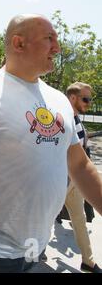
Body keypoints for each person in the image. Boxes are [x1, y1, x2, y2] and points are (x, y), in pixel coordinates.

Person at [0, 14, 102, 273]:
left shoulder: (59, 100)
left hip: (38, 248)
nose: (57, 48)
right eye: (49, 38)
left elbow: (79, 165)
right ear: (18, 43)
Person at [59, 82, 101, 273]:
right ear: (73, 98)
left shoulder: (76, 119)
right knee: (42, 219)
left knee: (79, 218)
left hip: (75, 181)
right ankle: (33, 252)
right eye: (86, 99)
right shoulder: (61, 119)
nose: (89, 103)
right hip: (60, 182)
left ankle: (88, 261)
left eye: (90, 99)